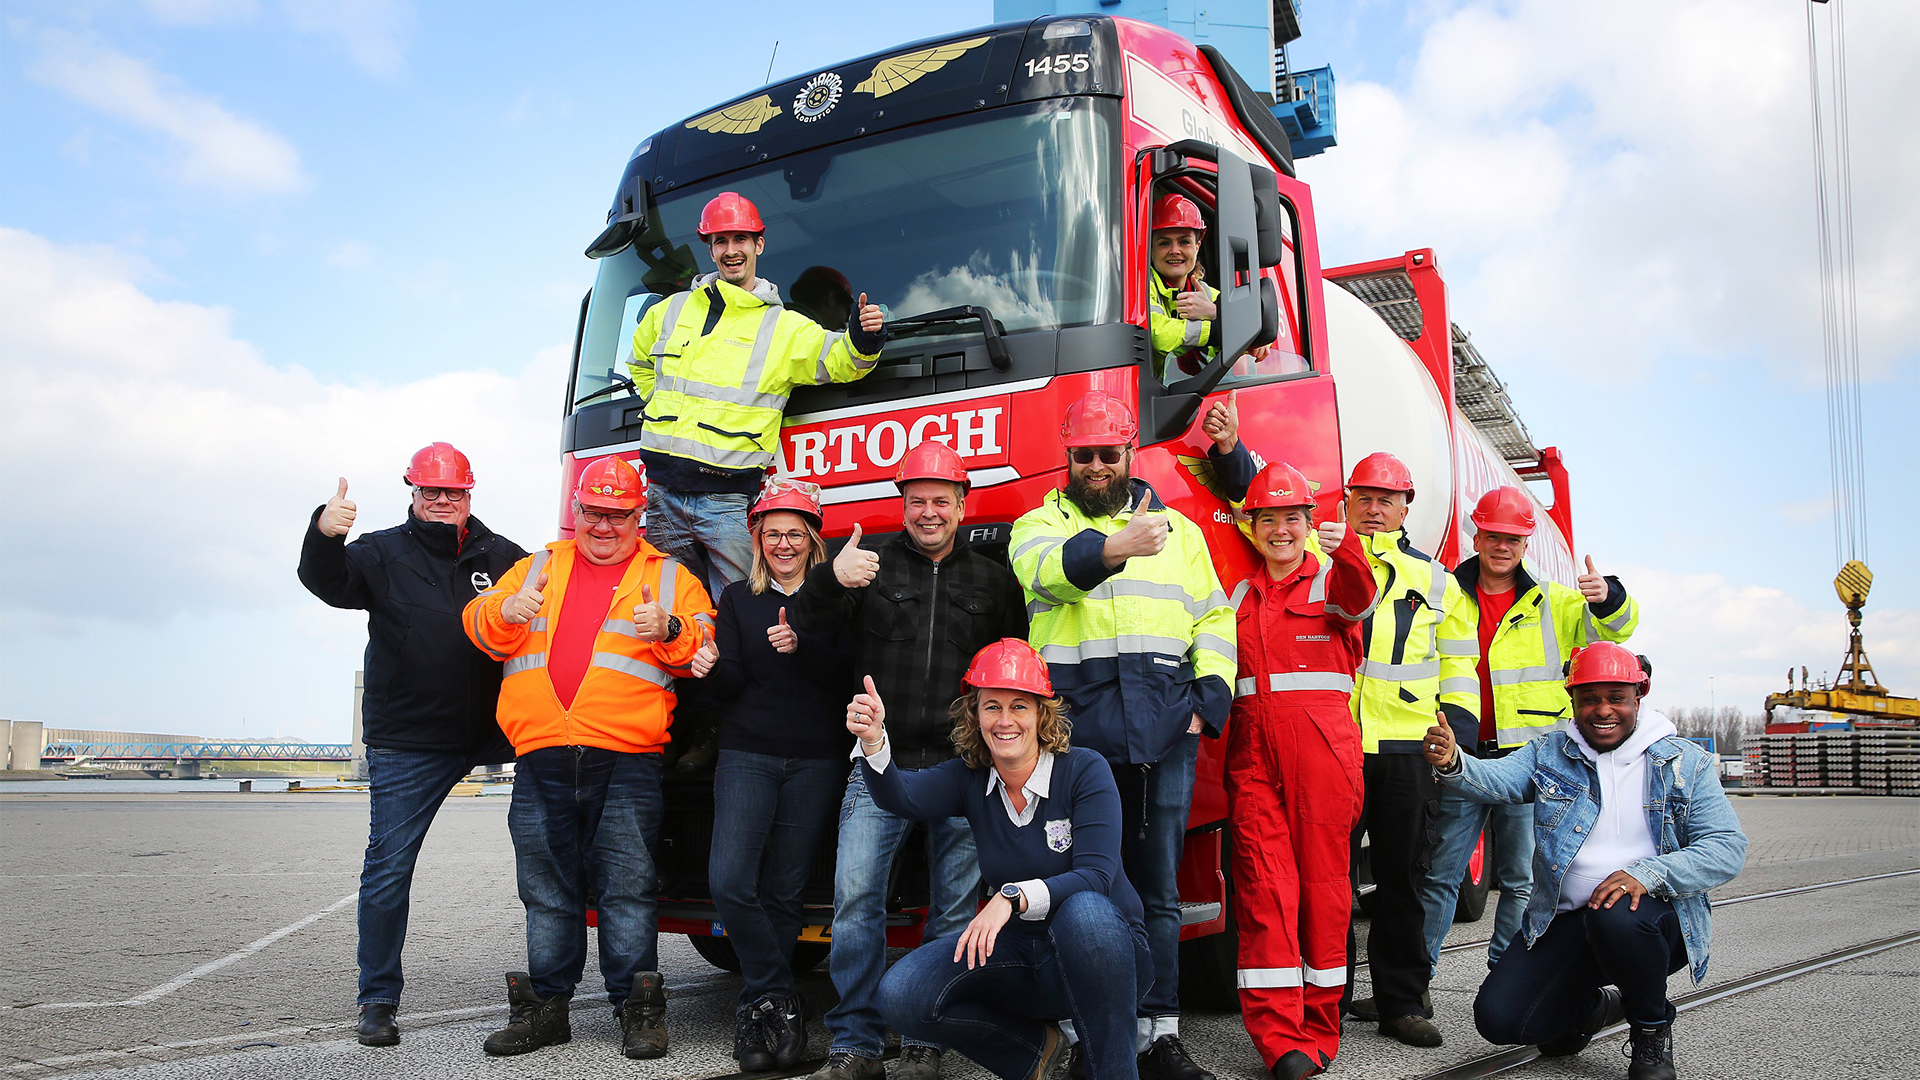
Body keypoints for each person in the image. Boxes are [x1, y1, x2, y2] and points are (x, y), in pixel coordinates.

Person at [1009, 391, 1247, 1080]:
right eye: (1082, 455)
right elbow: (1045, 575)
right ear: (1069, 457)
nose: (1095, 466)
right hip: (1076, 746)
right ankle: (1095, 1035)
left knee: (1160, 891)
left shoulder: (1183, 533)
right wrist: (1116, 547)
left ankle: (1160, 1035)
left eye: (1106, 454)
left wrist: (1209, 702)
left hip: (1165, 735)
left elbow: (1214, 620)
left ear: (1129, 453)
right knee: (1081, 893)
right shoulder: (1037, 524)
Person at [461, 456, 716, 1060]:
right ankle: (546, 1010)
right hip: (542, 754)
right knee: (545, 889)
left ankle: (637, 1010)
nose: (604, 526)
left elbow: (704, 647)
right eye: (593, 513)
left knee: (627, 887)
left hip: (626, 758)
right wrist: (505, 610)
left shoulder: (668, 575)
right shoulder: (538, 567)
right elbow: (478, 626)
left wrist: (672, 626)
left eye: (617, 515)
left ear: (639, 515)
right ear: (576, 512)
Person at [791, 440, 1029, 1080]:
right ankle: (855, 1041)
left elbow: (1013, 672)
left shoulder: (992, 579)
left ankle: (928, 1035)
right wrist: (827, 578)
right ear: (902, 504)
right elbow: (807, 623)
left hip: (962, 771)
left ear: (961, 504)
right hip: (880, 762)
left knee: (954, 908)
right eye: (916, 499)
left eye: (940, 500)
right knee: (855, 897)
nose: (928, 511)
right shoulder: (868, 566)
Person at [1421, 642, 1747, 1080]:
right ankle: (1596, 1008)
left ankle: (1650, 1030)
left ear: (1639, 697)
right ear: (1572, 700)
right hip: (1567, 920)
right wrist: (1454, 762)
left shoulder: (1686, 762)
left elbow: (1726, 847)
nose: (1603, 710)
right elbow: (1499, 781)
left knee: (1616, 916)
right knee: (1503, 1020)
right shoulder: (1551, 752)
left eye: (1617, 698)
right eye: (1590, 699)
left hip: (1651, 924)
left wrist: (1647, 873)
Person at [298, 442, 528, 1047]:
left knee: (547, 858)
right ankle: (377, 1000)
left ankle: (550, 993)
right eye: (431, 492)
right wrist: (324, 533)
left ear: (469, 494)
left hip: (498, 729)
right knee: (388, 869)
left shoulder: (504, 556)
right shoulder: (378, 552)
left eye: (453, 492)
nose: (442, 501)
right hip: (409, 738)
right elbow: (326, 581)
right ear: (414, 493)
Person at [848, 640, 1152, 1080]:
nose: (1005, 721)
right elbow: (902, 796)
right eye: (992, 707)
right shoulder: (968, 777)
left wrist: (1010, 898)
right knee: (903, 993)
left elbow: (1097, 876)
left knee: (1084, 911)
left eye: (1019, 707)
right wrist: (875, 741)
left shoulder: (1084, 770)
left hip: (1109, 956)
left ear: (1041, 715)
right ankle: (1033, 1054)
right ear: (975, 715)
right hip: (1025, 957)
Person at [1420, 486, 1641, 978]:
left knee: (1520, 879)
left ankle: (1505, 975)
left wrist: (1610, 596)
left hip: (1529, 763)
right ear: (1476, 536)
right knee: (1441, 876)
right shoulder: (1446, 595)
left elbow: (1614, 631)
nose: (1503, 547)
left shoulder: (1555, 603)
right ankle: (1416, 982)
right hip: (1466, 758)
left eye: (1514, 539)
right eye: (1494, 536)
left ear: (1526, 545)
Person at [628, 191, 889, 599]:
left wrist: (863, 338)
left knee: (745, 610)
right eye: (720, 241)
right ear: (710, 249)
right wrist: (661, 409)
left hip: (728, 502)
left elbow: (839, 360)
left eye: (740, 240)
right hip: (661, 496)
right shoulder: (671, 311)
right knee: (672, 609)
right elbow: (640, 364)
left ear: (758, 245)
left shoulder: (783, 326)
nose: (731, 251)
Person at [1223, 464, 1379, 1080]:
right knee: (1266, 892)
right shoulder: (1238, 596)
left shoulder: (1332, 584)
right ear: (1252, 527)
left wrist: (1352, 554)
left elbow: (1358, 598)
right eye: (1268, 520)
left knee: (1323, 893)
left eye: (1292, 518)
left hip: (1323, 757)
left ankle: (1321, 1026)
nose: (1281, 530)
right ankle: (1280, 1040)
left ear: (1309, 524)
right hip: (1253, 761)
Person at [693, 478, 854, 1071]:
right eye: (772, 534)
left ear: (813, 541)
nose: (783, 544)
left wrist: (802, 647)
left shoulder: (835, 597)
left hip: (816, 757)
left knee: (785, 890)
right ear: (757, 540)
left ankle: (762, 1021)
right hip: (748, 753)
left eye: (794, 533)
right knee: (730, 880)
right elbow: (732, 683)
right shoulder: (737, 598)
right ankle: (777, 998)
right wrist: (708, 667)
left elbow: (850, 676)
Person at [1340, 451, 1478, 1047]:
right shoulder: (1322, 561)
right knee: (1329, 879)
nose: (1374, 509)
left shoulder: (1437, 581)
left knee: (1403, 879)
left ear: (1405, 507)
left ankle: (1401, 1001)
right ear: (1347, 500)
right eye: (1364, 497)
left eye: (1385, 499)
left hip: (1407, 749)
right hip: (1336, 744)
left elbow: (1460, 661)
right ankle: (1326, 998)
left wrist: (1458, 740)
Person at [1148, 194, 1218, 383]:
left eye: (1184, 241)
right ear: (1150, 250)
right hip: (1145, 399)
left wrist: (1214, 312)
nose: (1175, 250)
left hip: (1194, 396)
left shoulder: (1208, 294)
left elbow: (1251, 319)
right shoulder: (1140, 289)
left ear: (1197, 246)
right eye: (1164, 243)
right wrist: (1214, 331)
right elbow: (1159, 337)